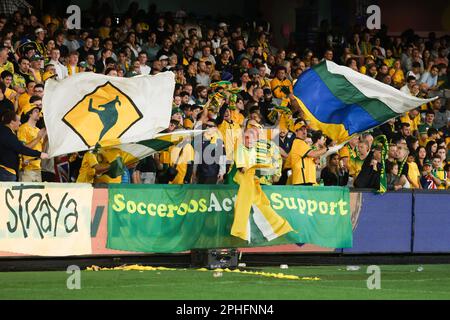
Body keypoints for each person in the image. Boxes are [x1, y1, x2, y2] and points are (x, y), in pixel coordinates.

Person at [0, 111, 48, 181]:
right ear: (12, 122)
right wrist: (39, 154)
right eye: (18, 121)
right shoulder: (8, 134)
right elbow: (21, 148)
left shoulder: (5, 132)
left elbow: (13, 149)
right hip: (6, 172)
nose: (20, 123)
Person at [285, 119, 328, 185]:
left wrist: (316, 159)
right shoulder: (298, 143)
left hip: (307, 180)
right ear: (296, 132)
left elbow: (314, 159)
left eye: (305, 129)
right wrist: (327, 149)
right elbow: (313, 154)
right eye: (301, 130)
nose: (304, 132)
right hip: (302, 181)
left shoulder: (304, 144)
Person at [17, 104, 47, 182]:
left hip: (38, 168)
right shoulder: (23, 128)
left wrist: (45, 138)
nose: (38, 113)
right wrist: (38, 138)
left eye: (39, 111)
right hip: (27, 168)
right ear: (30, 113)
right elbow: (22, 148)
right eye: (36, 111)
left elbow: (41, 150)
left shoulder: (38, 130)